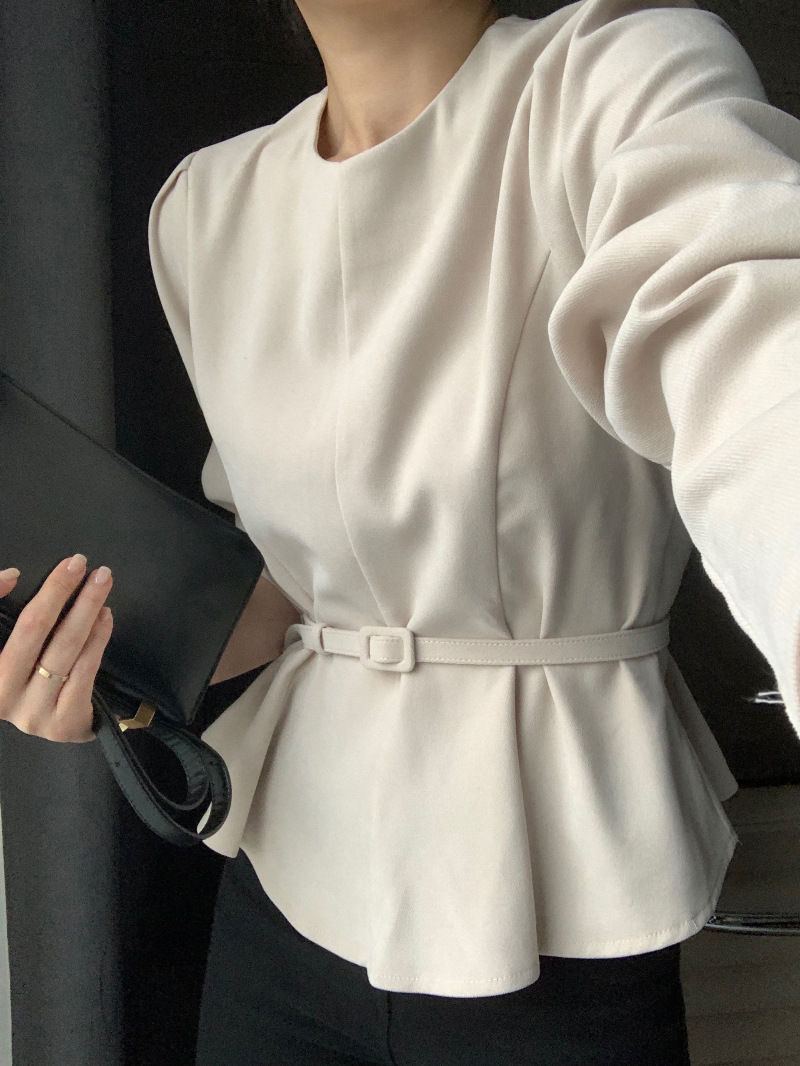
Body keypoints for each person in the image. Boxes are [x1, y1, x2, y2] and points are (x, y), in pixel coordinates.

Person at [5, 0, 800, 1060]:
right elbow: (293, 593)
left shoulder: (615, 83)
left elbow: (760, 362)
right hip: (283, 893)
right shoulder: (204, 205)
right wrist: (96, 658)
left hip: (553, 892)